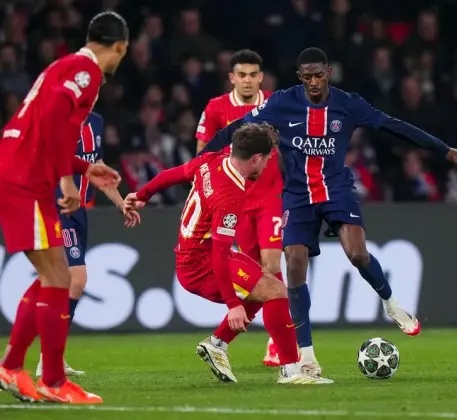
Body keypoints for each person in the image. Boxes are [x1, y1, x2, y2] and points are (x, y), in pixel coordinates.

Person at [199, 47, 457, 376]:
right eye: (307, 77)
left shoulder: (348, 104)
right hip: (298, 196)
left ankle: (391, 303)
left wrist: (443, 149)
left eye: (318, 75)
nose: (313, 82)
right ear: (299, 77)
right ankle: (307, 356)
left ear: (328, 73)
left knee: (357, 254)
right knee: (294, 265)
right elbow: (235, 130)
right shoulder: (282, 103)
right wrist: (199, 163)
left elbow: (392, 125)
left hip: (336, 190)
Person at [125, 123, 332, 385]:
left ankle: (218, 344)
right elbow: (219, 255)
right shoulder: (229, 197)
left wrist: (142, 195)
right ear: (256, 158)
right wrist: (233, 305)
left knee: (266, 286)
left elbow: (173, 174)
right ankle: (291, 372)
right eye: (267, 160)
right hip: (200, 265)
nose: (267, 166)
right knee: (276, 291)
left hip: (195, 253)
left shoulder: (212, 160)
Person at [0, 11, 128, 404]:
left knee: (52, 275)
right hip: (27, 177)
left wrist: (84, 167)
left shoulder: (63, 66)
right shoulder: (86, 72)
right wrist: (67, 179)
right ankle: (52, 381)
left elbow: (45, 127)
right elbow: (55, 116)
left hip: (21, 170)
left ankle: (13, 366)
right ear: (119, 48)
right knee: (58, 275)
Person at [34, 112, 141, 378]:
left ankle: (51, 356)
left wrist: (120, 203)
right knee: (76, 279)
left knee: (60, 282)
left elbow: (97, 165)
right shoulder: (59, 118)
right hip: (58, 207)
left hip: (80, 211)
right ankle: (47, 358)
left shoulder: (96, 121)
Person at [195, 49, 284, 367]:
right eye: (242, 75)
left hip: (270, 198)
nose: (247, 80)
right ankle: (219, 341)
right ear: (232, 77)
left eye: (253, 75)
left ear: (261, 78)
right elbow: (203, 153)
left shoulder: (274, 104)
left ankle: (276, 344)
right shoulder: (216, 108)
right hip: (238, 204)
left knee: (272, 263)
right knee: (258, 278)